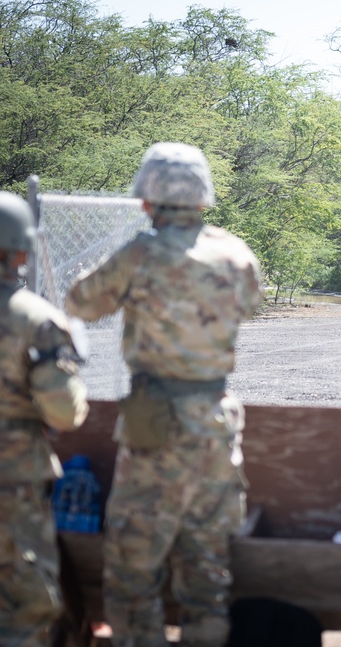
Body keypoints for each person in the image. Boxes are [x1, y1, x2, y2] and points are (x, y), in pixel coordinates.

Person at [66, 143, 262, 647]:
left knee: (132, 569)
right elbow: (252, 305)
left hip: (156, 425)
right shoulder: (235, 252)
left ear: (147, 199)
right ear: (203, 196)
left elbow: (81, 304)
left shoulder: (141, 253)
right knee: (206, 569)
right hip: (216, 423)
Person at [0, 192, 90, 646]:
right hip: (11, 483)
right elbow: (65, 413)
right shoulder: (35, 319)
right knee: (26, 604)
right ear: (20, 251)